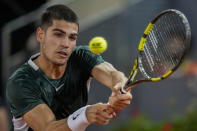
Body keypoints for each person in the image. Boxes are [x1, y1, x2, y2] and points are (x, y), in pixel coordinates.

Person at [6, 4, 132, 131]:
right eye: (58, 35)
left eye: (72, 37)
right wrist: (84, 115)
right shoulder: (20, 82)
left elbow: (111, 74)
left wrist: (119, 87)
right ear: (40, 35)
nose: (66, 44)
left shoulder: (81, 56)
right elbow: (48, 128)